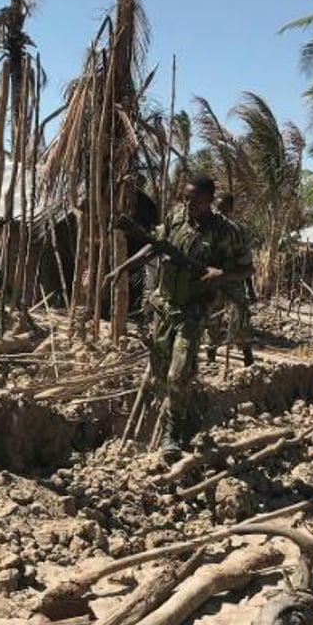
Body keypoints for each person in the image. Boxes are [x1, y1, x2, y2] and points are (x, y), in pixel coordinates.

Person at [111, 176, 254, 460]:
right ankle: (183, 413)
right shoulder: (176, 217)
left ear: (209, 201)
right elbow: (156, 246)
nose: (189, 205)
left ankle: (172, 436)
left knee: (179, 374)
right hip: (164, 307)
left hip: (193, 310)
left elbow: (248, 270)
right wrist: (123, 268)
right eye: (185, 198)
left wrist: (221, 275)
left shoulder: (228, 232)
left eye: (196, 201)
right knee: (162, 373)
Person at [204, 192, 255, 367]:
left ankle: (248, 357)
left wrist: (251, 290)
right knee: (212, 319)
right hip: (212, 281)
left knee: (241, 318)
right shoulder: (205, 228)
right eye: (218, 208)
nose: (220, 213)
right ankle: (210, 357)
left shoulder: (238, 230)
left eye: (224, 209)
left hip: (233, 280)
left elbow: (246, 263)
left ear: (231, 209)